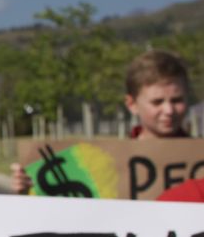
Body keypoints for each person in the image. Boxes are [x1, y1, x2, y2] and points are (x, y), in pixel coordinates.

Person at [10, 49, 194, 194]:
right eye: (157, 102)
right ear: (132, 104)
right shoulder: (105, 163)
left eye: (177, 100)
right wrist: (30, 188)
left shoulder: (198, 159)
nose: (169, 110)